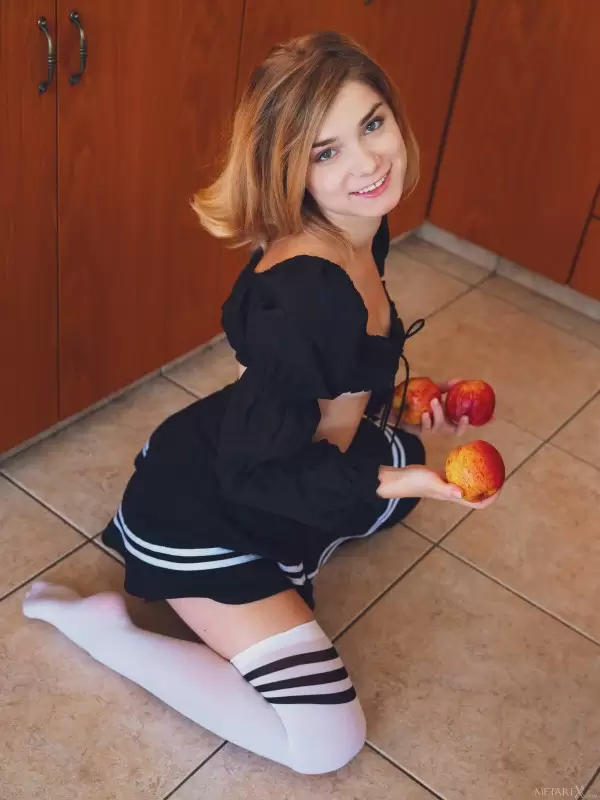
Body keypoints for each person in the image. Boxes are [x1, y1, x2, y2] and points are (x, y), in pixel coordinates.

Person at [23, 31, 498, 775]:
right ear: (290, 169)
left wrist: (402, 406)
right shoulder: (306, 296)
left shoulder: (359, 224)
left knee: (403, 470)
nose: (368, 162)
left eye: (372, 124)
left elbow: (337, 374)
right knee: (326, 739)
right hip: (209, 505)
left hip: (271, 441)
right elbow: (254, 473)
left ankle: (328, 523)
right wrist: (395, 479)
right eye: (326, 151)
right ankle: (104, 629)